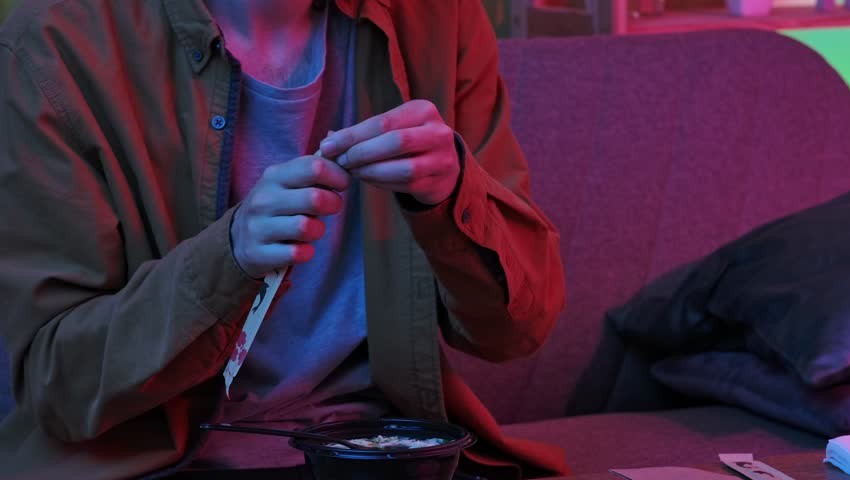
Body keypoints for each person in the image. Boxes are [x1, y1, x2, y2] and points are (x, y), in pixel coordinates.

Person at [0, 0, 567, 478]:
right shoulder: (51, 47)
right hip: (158, 463)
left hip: (380, 453)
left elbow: (519, 328)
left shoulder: (438, 18)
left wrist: (452, 196)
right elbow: (58, 386)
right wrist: (229, 258)